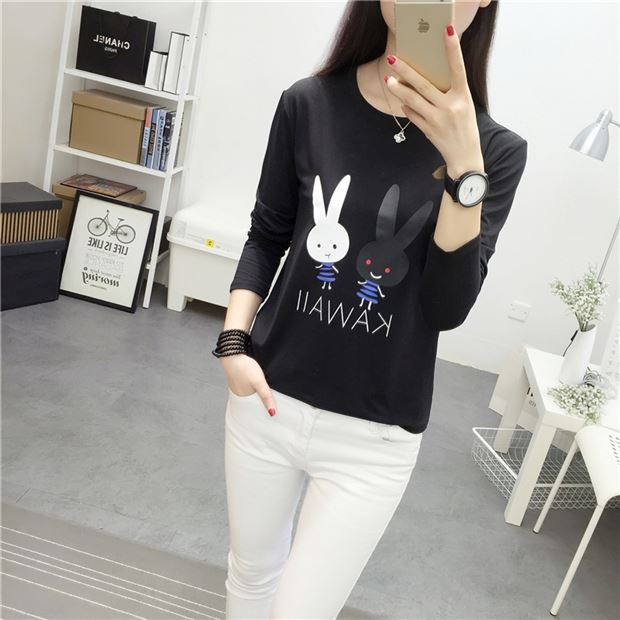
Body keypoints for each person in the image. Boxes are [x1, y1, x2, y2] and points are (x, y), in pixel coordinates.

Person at [211, 1, 527, 618]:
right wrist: (232, 343)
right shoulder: (308, 103)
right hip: (269, 400)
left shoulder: (496, 151)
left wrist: (465, 169)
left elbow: (446, 308)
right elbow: (267, 235)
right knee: (249, 576)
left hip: (374, 438)